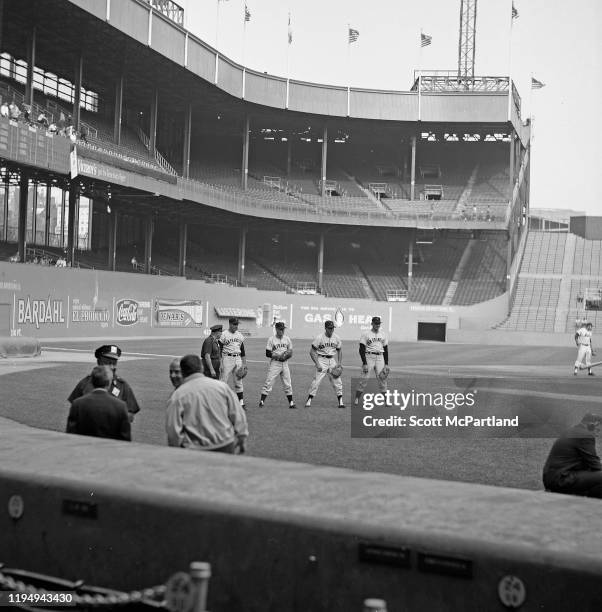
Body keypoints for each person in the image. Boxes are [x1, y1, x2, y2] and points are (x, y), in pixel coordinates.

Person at [166, 354, 248, 453]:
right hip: (226, 446)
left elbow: (173, 432)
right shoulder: (222, 387)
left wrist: (177, 450)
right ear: (201, 368)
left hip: (195, 451)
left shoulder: (178, 395)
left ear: (183, 372)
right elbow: (238, 415)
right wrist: (242, 437)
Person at [68, 344, 140, 422]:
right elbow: (74, 410)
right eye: (108, 363)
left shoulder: (122, 385)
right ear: (99, 362)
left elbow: (131, 414)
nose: (112, 367)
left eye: (114, 363)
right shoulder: (84, 383)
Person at [542, 413, 602, 498]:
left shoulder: (572, 431)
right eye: (598, 430)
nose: (598, 434)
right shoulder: (586, 435)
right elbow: (596, 466)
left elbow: (588, 461)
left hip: (551, 478)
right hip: (561, 480)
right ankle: (593, 505)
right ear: (594, 424)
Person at [66, 365, 131, 441]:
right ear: (109, 383)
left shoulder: (77, 404)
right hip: (109, 451)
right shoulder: (120, 406)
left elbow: (70, 434)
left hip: (84, 450)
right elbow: (125, 439)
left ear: (92, 381)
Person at [305, 320, 344, 408]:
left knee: (337, 381)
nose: (331, 330)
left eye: (333, 328)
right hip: (322, 360)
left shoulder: (336, 337)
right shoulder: (319, 338)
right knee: (316, 381)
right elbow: (312, 352)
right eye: (330, 328)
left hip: (332, 360)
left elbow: (339, 350)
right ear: (325, 328)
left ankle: (340, 401)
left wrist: (339, 363)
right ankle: (309, 400)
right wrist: (317, 364)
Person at [354, 316, 389, 406]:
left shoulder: (383, 334)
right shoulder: (366, 334)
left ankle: (386, 401)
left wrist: (387, 364)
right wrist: (364, 363)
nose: (377, 325)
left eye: (379, 323)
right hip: (369, 356)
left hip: (380, 357)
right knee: (364, 378)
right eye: (376, 323)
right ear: (372, 324)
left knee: (383, 379)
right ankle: (357, 398)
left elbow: (385, 349)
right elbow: (361, 349)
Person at [259, 322, 295, 408]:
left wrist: (286, 356)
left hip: (285, 363)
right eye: (280, 329)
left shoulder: (287, 339)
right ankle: (262, 401)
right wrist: (278, 356)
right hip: (275, 363)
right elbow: (267, 353)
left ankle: (291, 403)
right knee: (269, 382)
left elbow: (290, 352)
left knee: (288, 383)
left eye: (283, 329)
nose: (282, 331)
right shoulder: (271, 339)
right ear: (276, 329)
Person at [219, 317, 247, 408]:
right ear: (230, 324)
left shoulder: (240, 335)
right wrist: (220, 363)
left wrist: (244, 363)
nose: (236, 326)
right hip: (227, 358)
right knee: (223, 381)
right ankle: (220, 402)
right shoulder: (223, 335)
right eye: (235, 324)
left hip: (238, 358)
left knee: (239, 381)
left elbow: (242, 350)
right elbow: (219, 350)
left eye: (237, 324)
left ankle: (241, 402)